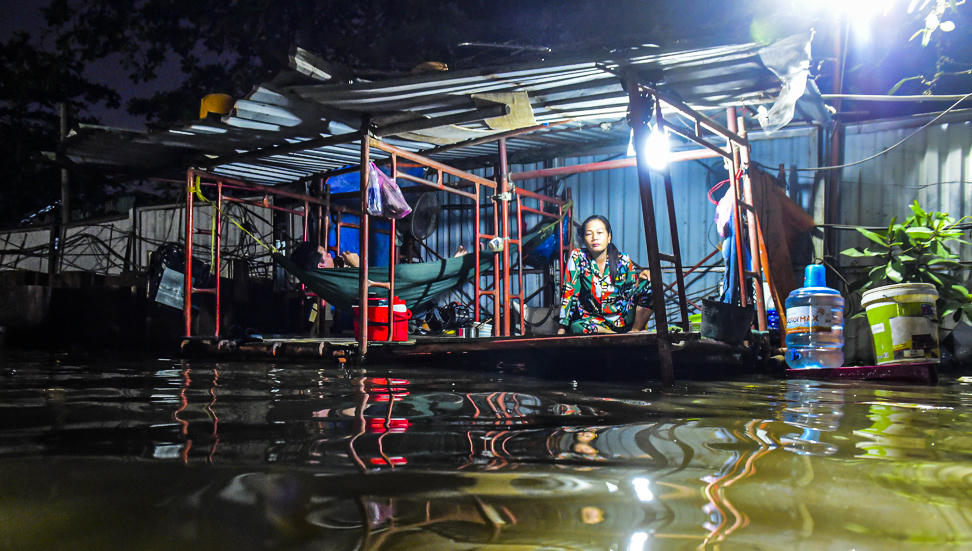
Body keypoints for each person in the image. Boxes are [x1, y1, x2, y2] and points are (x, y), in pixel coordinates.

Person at [557, 215, 653, 335]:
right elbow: (569, 292)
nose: (594, 238)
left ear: (609, 237)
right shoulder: (578, 257)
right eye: (589, 234)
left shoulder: (623, 260)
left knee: (651, 283)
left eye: (599, 233)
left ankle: (635, 331)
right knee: (576, 327)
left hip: (623, 318)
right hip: (594, 322)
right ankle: (613, 335)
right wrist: (562, 327)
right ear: (584, 239)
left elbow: (631, 293)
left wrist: (641, 281)